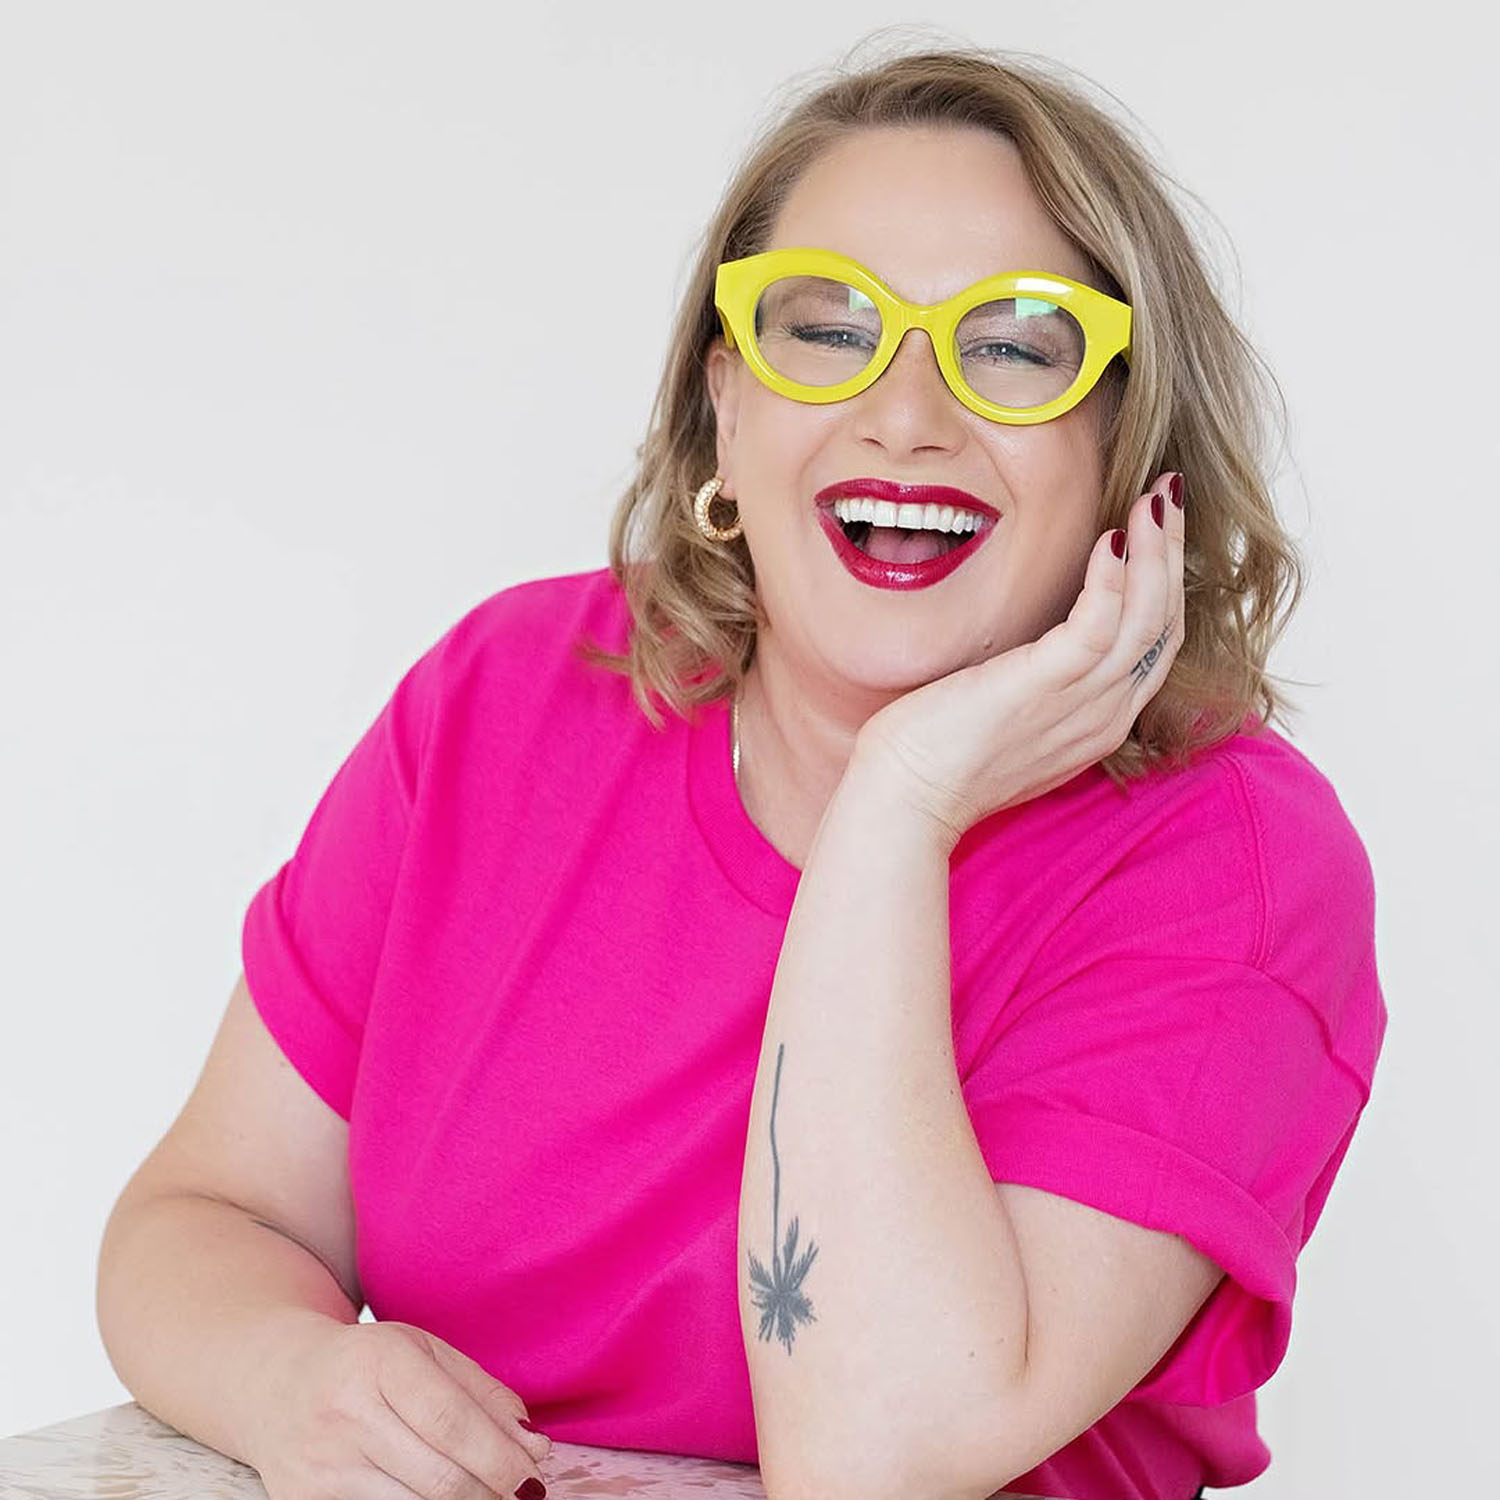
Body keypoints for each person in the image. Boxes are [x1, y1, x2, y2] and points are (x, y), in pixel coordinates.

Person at [95, 42, 1386, 1500]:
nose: (907, 414)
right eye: (826, 329)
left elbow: (877, 1455)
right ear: (728, 402)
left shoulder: (1232, 865)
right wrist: (292, 1375)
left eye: (1018, 345)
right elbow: (197, 1216)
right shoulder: (507, 698)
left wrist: (896, 805)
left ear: (1123, 440)